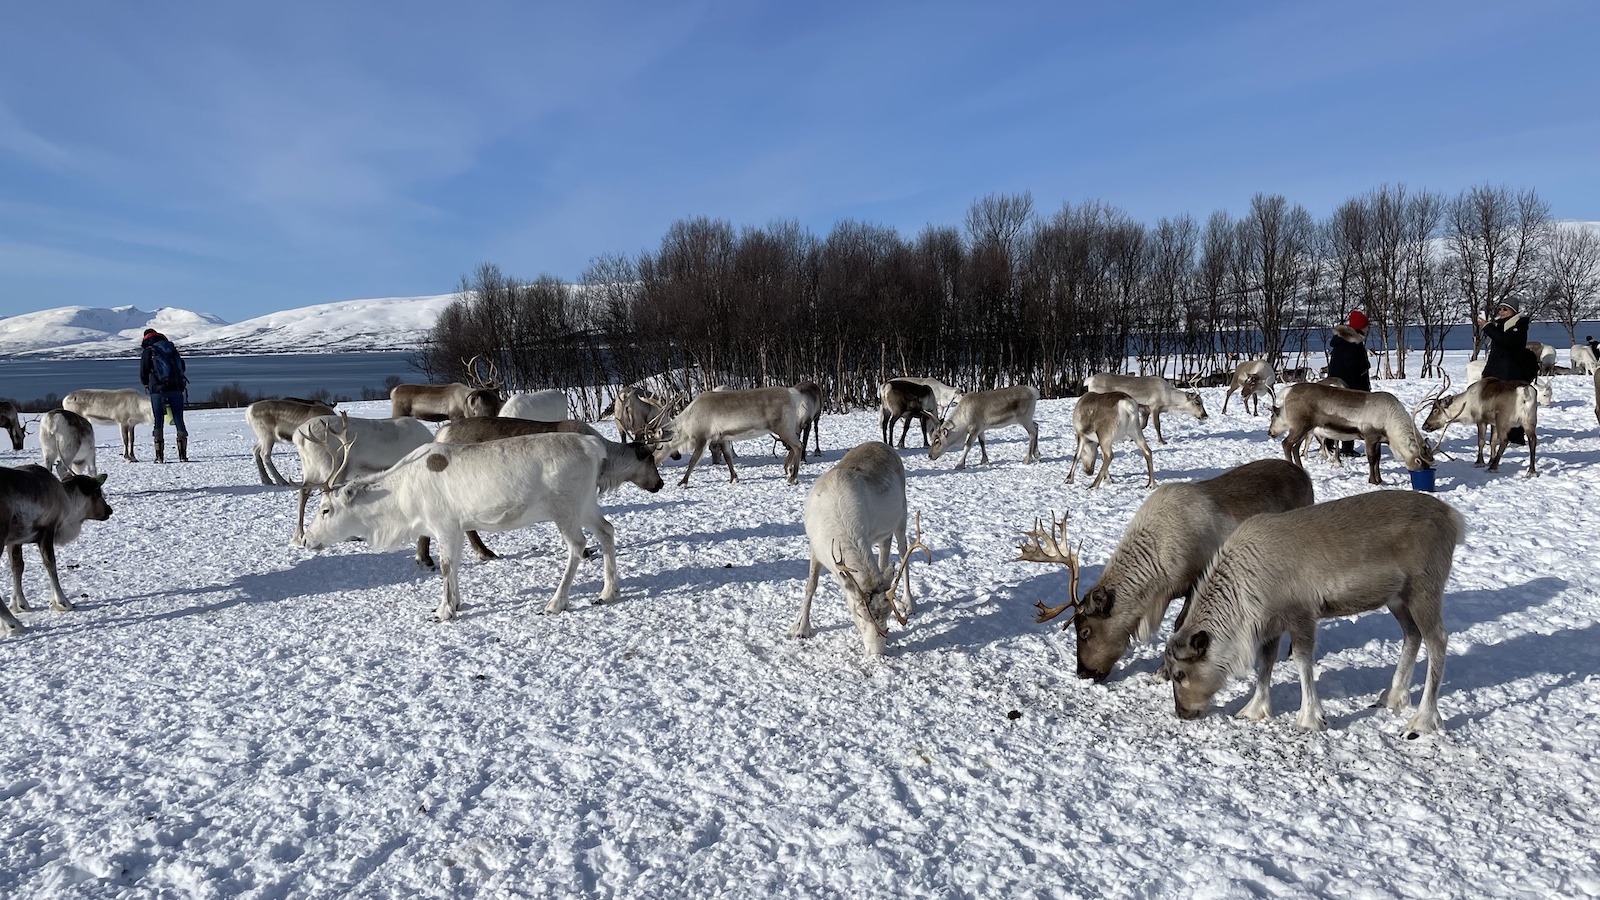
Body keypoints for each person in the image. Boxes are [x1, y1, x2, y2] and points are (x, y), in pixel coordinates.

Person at [1476, 299, 1537, 444]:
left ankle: (1515, 438)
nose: (1501, 312)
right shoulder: (1500, 325)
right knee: (1495, 405)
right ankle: (1497, 435)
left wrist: (1487, 327)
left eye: (1505, 309)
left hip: (1511, 373)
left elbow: (1507, 342)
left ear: (1514, 311)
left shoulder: (1519, 326)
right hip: (1496, 372)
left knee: (1512, 405)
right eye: (1500, 309)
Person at [1324, 309, 1371, 456]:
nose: (1368, 328)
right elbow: (1353, 367)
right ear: (1361, 327)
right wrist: (1365, 366)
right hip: (1350, 387)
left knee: (1334, 416)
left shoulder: (1340, 342)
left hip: (1335, 385)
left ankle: (1328, 443)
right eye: (1366, 326)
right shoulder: (1354, 344)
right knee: (1350, 418)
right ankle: (1347, 447)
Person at [139, 328, 190, 462]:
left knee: (159, 420)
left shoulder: (148, 350)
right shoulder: (171, 348)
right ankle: (183, 455)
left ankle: (159, 456)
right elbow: (182, 367)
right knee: (178, 418)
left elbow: (143, 371)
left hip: (158, 390)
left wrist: (147, 383)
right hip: (177, 388)